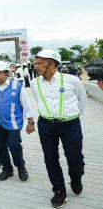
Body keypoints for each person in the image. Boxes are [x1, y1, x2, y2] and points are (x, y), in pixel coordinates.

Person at [30, 49, 87, 208]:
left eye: (40, 63)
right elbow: (38, 101)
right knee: (50, 158)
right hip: (46, 125)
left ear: (52, 64)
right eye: (36, 63)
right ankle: (59, 191)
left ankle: (76, 178)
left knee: (75, 159)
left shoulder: (72, 80)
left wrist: (70, 117)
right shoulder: (34, 83)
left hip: (70, 124)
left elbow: (81, 102)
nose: (36, 66)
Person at [0, 61, 35, 182]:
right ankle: (7, 169)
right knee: (0, 148)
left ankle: (21, 167)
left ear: (7, 74)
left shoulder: (17, 87)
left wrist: (30, 122)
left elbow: (26, 105)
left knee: (14, 146)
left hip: (13, 123)